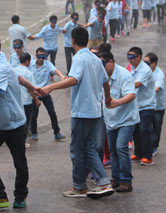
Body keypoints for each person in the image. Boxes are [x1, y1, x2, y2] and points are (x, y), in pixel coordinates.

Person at [39, 27, 114, 199]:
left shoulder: (79, 59)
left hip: (83, 112)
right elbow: (105, 81)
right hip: (95, 111)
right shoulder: (95, 59)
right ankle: (92, 183)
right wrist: (107, 99)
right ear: (87, 40)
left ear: (72, 41)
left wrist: (50, 87)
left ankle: (89, 185)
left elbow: (74, 79)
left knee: (78, 150)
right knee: (88, 148)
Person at [0, 36, 38, 210]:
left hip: (15, 124)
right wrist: (32, 88)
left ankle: (20, 196)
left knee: (19, 162)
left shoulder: (2, 68)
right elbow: (18, 76)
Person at [100, 51, 139, 193]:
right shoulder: (101, 76)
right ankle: (116, 179)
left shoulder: (124, 75)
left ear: (111, 61)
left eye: (103, 64)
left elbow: (132, 94)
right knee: (113, 150)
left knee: (121, 147)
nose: (101, 67)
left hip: (126, 119)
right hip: (111, 119)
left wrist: (117, 103)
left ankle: (126, 181)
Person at [29, 47, 66, 141]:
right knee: (33, 115)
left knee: (52, 113)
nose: (41, 58)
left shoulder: (48, 64)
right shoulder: (31, 65)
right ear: (36, 56)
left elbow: (56, 71)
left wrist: (62, 76)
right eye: (39, 56)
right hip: (35, 93)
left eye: (43, 56)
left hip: (45, 93)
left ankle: (57, 132)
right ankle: (34, 133)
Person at [127, 47, 156, 166]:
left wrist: (123, 86)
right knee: (136, 131)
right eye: (128, 57)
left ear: (139, 57)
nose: (130, 60)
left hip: (147, 105)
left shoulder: (145, 70)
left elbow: (137, 84)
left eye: (132, 57)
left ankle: (148, 156)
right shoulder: (132, 68)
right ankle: (138, 153)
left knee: (145, 130)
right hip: (136, 104)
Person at [143, 53, 166, 156]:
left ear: (154, 63)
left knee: (156, 127)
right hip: (146, 105)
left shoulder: (159, 74)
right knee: (145, 127)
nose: (145, 64)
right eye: (144, 62)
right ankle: (145, 147)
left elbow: (157, 88)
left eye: (148, 63)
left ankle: (154, 147)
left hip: (157, 107)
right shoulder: (144, 71)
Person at [14, 53, 40, 137]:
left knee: (17, 122)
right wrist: (36, 99)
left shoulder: (13, 71)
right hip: (26, 102)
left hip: (16, 101)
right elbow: (30, 89)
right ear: (27, 61)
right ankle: (23, 141)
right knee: (25, 123)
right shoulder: (28, 73)